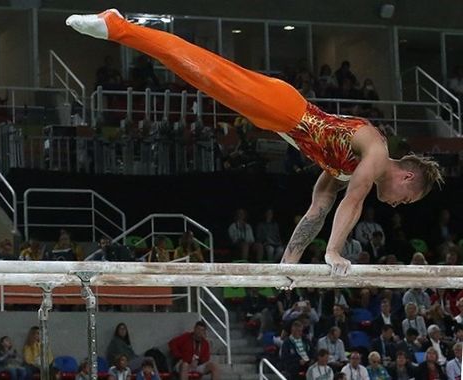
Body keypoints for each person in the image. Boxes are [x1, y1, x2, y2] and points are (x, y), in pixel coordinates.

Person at [66, 9, 443, 275]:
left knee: (200, 73)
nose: (397, 203)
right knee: (200, 68)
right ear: (407, 176)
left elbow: (317, 210)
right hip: (287, 110)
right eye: (405, 198)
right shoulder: (376, 152)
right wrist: (333, 252)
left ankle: (120, 27)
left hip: (278, 118)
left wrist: (287, 268)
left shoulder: (349, 169)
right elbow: (353, 201)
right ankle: (116, 25)